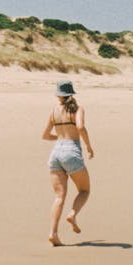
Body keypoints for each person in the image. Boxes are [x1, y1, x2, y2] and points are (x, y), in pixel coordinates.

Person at [42, 79, 94, 246]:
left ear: (59, 95)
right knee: (84, 190)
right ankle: (72, 214)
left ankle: (53, 233)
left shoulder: (54, 111)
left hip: (56, 153)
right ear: (71, 93)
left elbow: (45, 136)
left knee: (59, 196)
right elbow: (80, 127)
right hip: (71, 152)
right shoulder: (78, 109)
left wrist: (61, 137)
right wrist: (88, 146)